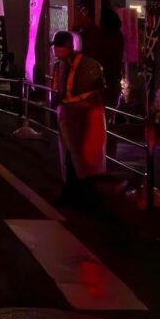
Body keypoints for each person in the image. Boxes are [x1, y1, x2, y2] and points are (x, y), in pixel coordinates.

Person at [49, 31, 107, 205]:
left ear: (69, 47)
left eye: (59, 47)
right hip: (70, 114)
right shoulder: (62, 65)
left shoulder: (86, 65)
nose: (56, 51)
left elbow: (96, 89)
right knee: (72, 157)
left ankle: (79, 196)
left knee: (82, 158)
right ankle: (74, 194)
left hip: (84, 115)